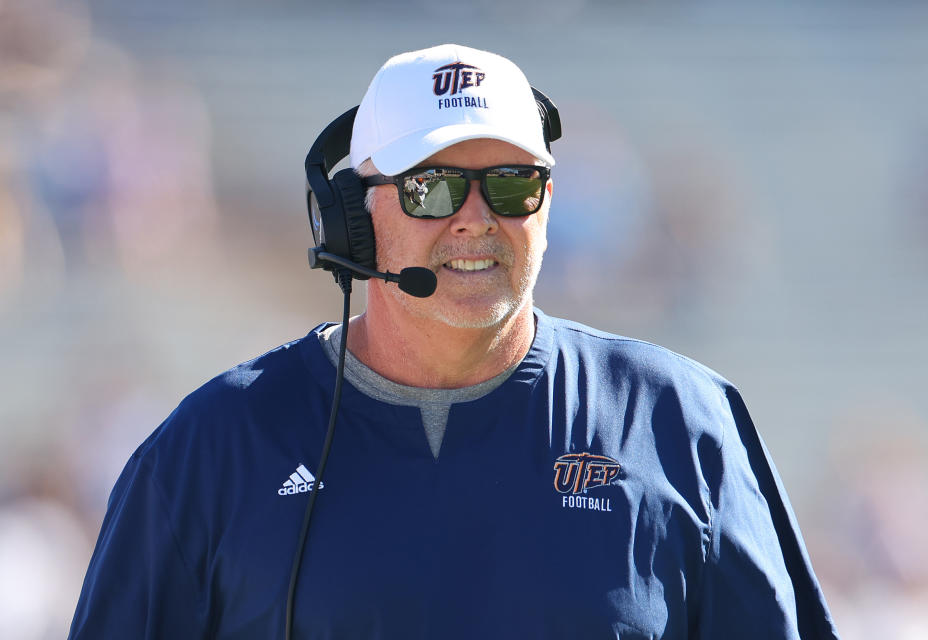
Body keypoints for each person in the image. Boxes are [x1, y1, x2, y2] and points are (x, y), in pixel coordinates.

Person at [68, 44, 840, 639]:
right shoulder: (209, 450)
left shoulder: (681, 420)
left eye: (511, 183)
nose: (476, 218)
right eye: (430, 187)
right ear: (352, 217)